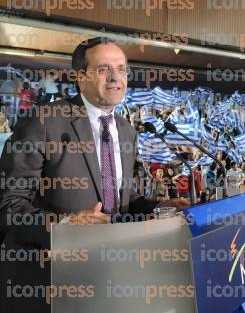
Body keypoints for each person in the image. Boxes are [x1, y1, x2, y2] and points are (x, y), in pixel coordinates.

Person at [0, 37, 189, 312]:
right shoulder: (44, 122)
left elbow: (124, 197)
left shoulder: (126, 130)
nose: (115, 77)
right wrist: (63, 226)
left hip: (103, 278)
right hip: (44, 281)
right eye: (103, 69)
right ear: (81, 77)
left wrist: (159, 207)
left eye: (122, 69)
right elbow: (8, 203)